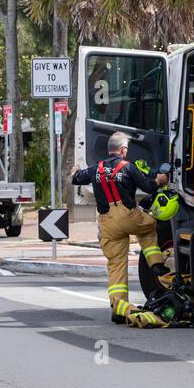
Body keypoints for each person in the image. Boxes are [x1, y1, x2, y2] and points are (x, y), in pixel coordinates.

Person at [72, 132, 169, 323]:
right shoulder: (129, 168)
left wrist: (74, 171)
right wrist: (159, 180)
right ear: (123, 150)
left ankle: (118, 309)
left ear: (109, 149)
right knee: (148, 226)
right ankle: (156, 263)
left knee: (116, 264)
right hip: (129, 217)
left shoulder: (95, 169)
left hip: (108, 224)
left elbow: (76, 179)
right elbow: (149, 187)